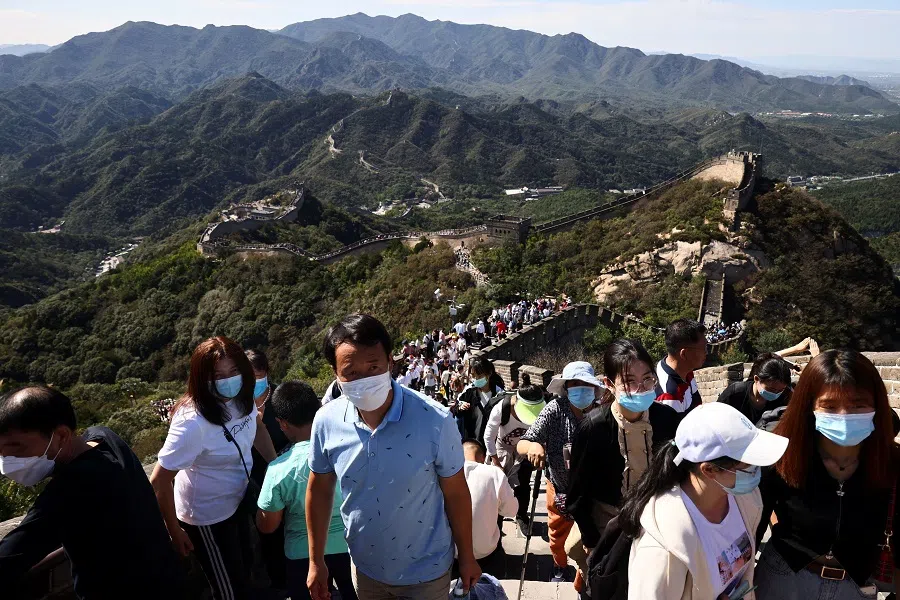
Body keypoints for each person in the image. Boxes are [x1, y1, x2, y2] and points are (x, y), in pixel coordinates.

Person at [305, 314, 480, 600]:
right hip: (366, 570)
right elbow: (319, 490)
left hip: (427, 571)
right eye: (351, 372)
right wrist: (316, 561)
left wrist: (467, 556)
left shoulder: (434, 419)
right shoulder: (326, 421)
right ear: (336, 375)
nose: (365, 379)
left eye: (373, 366)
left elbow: (456, 492)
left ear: (389, 361)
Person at [0, 387, 185, 599]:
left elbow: (9, 557)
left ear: (61, 435)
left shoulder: (70, 490)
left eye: (16, 447)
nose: (7, 460)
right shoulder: (105, 437)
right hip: (168, 578)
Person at [755, 349, 900, 599]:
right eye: (830, 406)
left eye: (858, 405)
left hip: (855, 586)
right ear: (809, 405)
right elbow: (753, 528)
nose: (844, 416)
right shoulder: (781, 455)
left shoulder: (892, 463)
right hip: (784, 577)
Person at [622, 402, 788, 599]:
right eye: (749, 466)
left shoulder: (744, 500)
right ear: (709, 470)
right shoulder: (662, 548)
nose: (757, 471)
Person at [150, 336, 274, 600]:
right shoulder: (192, 423)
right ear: (201, 378)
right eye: (217, 375)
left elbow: (259, 427)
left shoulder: (243, 398)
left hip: (237, 498)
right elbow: (160, 481)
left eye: (233, 371)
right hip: (207, 515)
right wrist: (174, 530)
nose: (228, 380)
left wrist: (274, 467)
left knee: (246, 567)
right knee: (228, 587)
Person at [566, 339, 681, 589]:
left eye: (647, 379)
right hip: (607, 526)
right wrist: (592, 540)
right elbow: (577, 494)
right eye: (629, 382)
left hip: (657, 524)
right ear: (609, 384)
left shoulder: (668, 420)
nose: (640, 389)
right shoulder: (593, 427)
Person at [256, 381, 357, 600]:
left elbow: (267, 525)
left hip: (302, 555)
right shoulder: (347, 453)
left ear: (282, 424)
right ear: (319, 409)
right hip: (351, 548)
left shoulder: (278, 469)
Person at [517, 361, 603, 582]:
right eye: (575, 384)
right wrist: (533, 446)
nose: (581, 389)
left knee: (591, 537)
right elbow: (524, 443)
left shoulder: (601, 411)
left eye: (586, 384)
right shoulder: (555, 410)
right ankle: (560, 565)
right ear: (566, 387)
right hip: (561, 487)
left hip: (594, 490)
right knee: (558, 537)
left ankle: (585, 577)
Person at [246, 349, 288, 589]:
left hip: (285, 477)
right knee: (267, 535)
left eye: (257, 375)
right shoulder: (237, 406)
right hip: (255, 483)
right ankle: (279, 581)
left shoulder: (281, 398)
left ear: (266, 372)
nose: (252, 382)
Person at [483, 373, 545, 534]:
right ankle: (495, 522)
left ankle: (521, 515)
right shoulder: (502, 409)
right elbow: (488, 436)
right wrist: (495, 461)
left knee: (523, 486)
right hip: (502, 449)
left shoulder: (540, 409)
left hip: (524, 451)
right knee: (498, 487)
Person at [461, 440, 518, 575]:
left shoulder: (447, 473)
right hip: (485, 552)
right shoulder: (494, 473)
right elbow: (511, 511)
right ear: (482, 457)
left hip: (452, 552)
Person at [716, 353, 792, 424]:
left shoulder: (783, 399)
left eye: (780, 390)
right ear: (756, 379)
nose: (775, 394)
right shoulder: (735, 393)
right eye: (771, 389)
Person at [655, 319, 707, 414]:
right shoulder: (669, 397)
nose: (706, 353)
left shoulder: (686, 371)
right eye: (703, 348)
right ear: (684, 354)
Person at [456, 357, 506, 448]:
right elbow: (456, 408)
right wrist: (460, 406)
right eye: (473, 376)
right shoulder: (469, 392)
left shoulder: (499, 395)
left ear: (489, 374)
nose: (476, 379)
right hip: (472, 443)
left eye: (479, 376)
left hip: (492, 445)